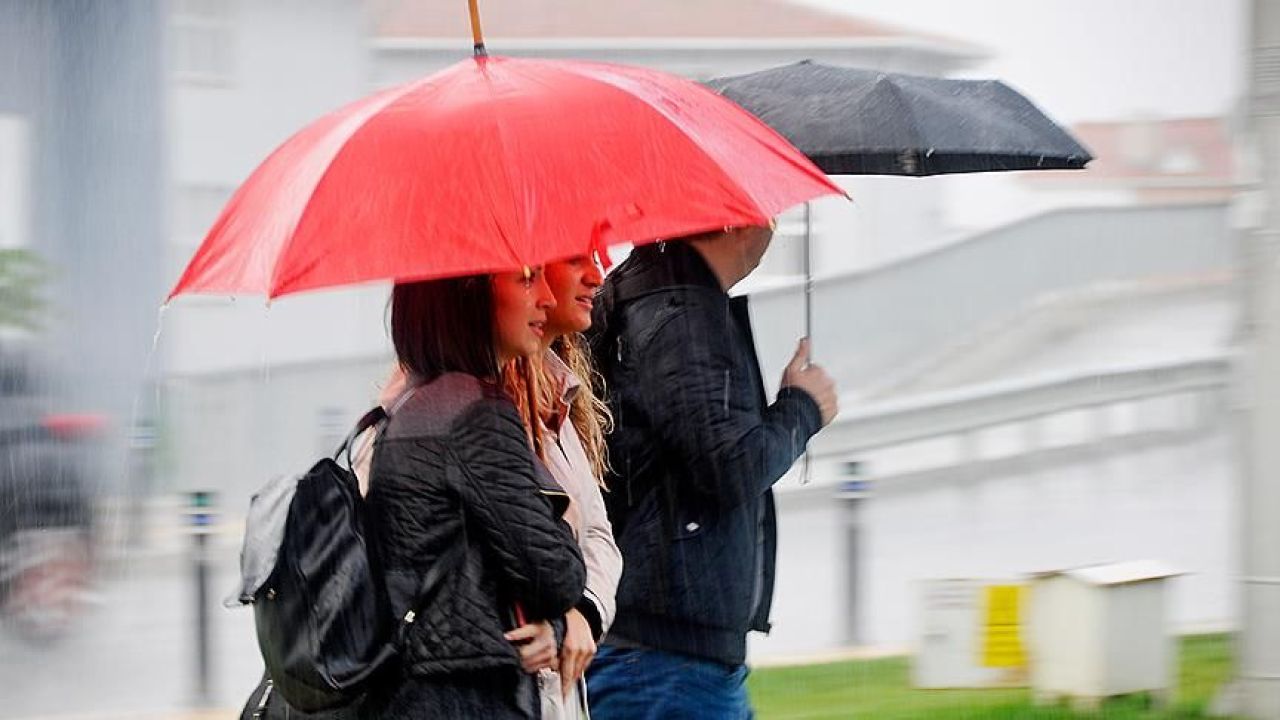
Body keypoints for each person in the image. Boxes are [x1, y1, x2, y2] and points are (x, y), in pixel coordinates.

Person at [585, 226, 839, 719]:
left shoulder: (664, 296)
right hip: (666, 660)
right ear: (737, 220)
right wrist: (802, 409)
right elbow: (730, 465)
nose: (773, 221)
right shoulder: (682, 315)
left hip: (663, 650)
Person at [360, 268, 587, 719]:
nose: (545, 297)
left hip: (414, 694)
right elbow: (557, 577)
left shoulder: (408, 407)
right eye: (527, 280)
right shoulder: (477, 415)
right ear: (467, 296)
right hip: (467, 698)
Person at [502, 255, 623, 719]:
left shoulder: (557, 394)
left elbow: (599, 537)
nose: (597, 276)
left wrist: (582, 615)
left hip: (558, 694)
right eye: (576, 260)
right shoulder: (466, 415)